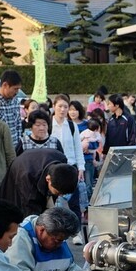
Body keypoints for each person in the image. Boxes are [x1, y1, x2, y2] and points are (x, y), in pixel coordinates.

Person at [0, 148, 78, 216]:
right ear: (48, 179)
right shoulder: (27, 177)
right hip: (16, 186)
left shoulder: (61, 160)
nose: (61, 195)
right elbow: (31, 210)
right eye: (58, 192)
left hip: (36, 167)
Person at [6, 207, 81, 271]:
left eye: (64, 240)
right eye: (58, 240)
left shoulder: (57, 233)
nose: (60, 244)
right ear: (42, 230)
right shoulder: (21, 237)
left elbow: (70, 268)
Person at [50, 94, 85, 222]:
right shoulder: (48, 124)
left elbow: (78, 148)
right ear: (54, 107)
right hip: (53, 167)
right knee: (54, 202)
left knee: (74, 203)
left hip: (71, 166)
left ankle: (76, 231)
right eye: (60, 106)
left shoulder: (71, 126)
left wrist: (81, 167)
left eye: (66, 107)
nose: (63, 109)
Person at [0, 70, 23, 153]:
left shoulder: (15, 101)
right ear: (5, 85)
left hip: (15, 150)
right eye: (15, 89)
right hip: (0, 151)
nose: (17, 92)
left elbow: (18, 125)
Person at [102, 93, 136, 157]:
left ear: (117, 105)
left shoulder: (129, 119)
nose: (108, 106)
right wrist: (105, 152)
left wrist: (129, 153)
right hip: (112, 154)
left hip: (125, 155)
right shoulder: (111, 120)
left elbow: (132, 136)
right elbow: (108, 138)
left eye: (109, 104)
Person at [80, 118, 103, 198]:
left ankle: (87, 199)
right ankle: (87, 199)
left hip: (87, 158)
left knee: (88, 181)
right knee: (87, 181)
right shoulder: (92, 134)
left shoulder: (87, 133)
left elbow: (95, 146)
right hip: (86, 159)